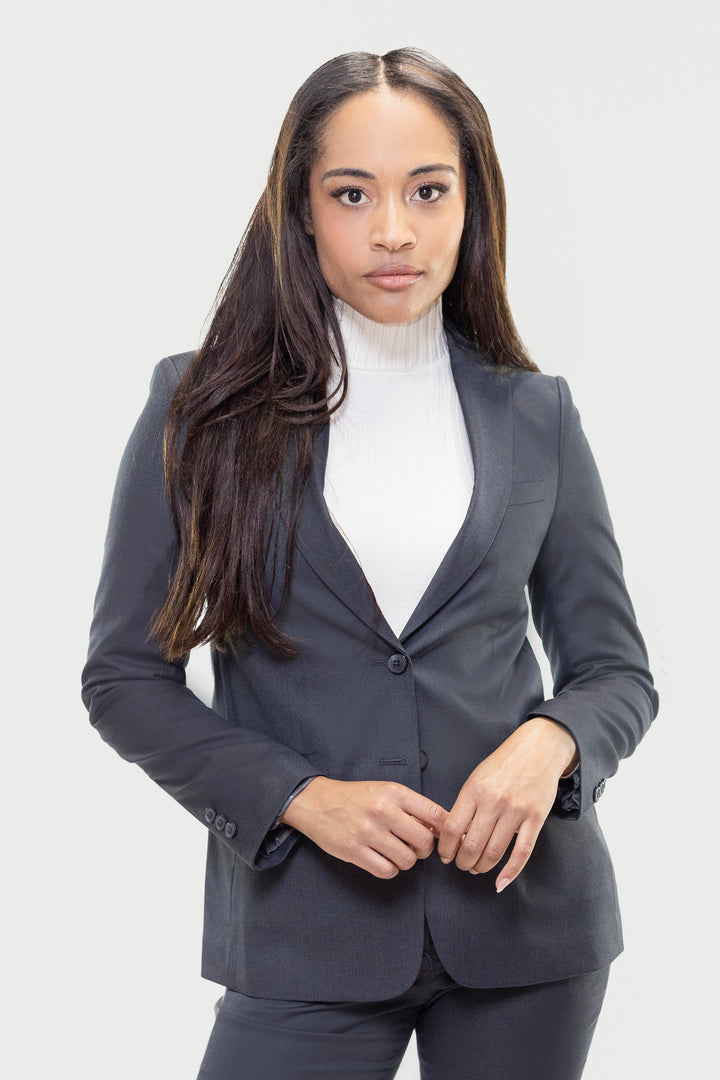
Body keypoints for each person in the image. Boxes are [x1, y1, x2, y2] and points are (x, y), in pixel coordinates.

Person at [82, 47, 658, 1080]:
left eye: (427, 191)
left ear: (469, 205)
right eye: (353, 193)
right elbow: (124, 677)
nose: (393, 229)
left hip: (530, 935)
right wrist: (299, 795)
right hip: (305, 932)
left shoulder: (538, 416)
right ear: (301, 208)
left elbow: (616, 669)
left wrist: (552, 746)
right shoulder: (198, 411)